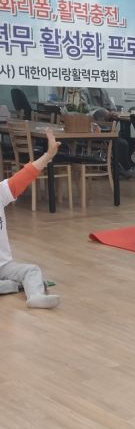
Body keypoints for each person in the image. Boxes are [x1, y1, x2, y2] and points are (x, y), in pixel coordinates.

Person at [0, 128, 61, 309]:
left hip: (4, 266)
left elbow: (25, 175)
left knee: (32, 270)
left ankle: (35, 296)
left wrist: (48, 155)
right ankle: (13, 286)